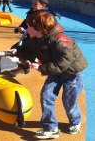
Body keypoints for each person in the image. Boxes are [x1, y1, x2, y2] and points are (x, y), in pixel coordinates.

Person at [13, 11, 88, 139]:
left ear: (39, 29)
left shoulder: (61, 41)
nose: (26, 29)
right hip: (55, 72)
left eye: (28, 26)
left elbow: (63, 63)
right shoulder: (36, 38)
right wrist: (15, 51)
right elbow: (26, 48)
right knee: (47, 96)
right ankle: (50, 127)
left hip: (72, 74)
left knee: (69, 101)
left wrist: (41, 67)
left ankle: (75, 121)